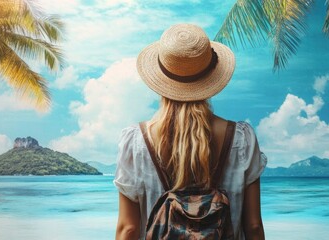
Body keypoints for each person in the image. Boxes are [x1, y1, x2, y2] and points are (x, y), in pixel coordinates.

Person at [114, 23, 267, 240]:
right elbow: (253, 226)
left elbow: (127, 229)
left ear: (161, 80)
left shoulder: (136, 142)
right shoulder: (242, 139)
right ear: (210, 78)